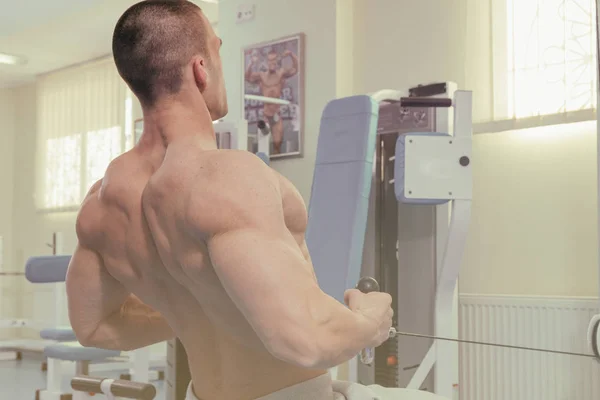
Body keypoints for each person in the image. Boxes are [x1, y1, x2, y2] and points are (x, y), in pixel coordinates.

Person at [65, 1, 443, 399]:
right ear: (201, 68)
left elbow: (94, 326)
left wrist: (194, 308)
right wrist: (371, 322)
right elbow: (305, 340)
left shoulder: (100, 205)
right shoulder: (226, 176)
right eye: (218, 49)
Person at [245, 49, 298, 154]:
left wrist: (291, 54)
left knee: (276, 148)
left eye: (274, 60)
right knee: (261, 149)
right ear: (267, 62)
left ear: (277, 61)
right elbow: (247, 77)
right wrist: (251, 63)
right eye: (269, 60)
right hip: (265, 115)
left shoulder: (281, 73)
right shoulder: (262, 75)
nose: (272, 63)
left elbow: (295, 69)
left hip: (276, 115)